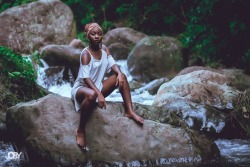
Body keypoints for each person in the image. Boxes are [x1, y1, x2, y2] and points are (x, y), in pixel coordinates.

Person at [71, 22, 144, 150]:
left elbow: (113, 64)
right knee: (92, 94)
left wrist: (120, 73)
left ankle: (129, 111)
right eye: (93, 34)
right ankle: (81, 129)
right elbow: (85, 78)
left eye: (99, 34)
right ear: (87, 36)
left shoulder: (104, 49)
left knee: (121, 78)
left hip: (97, 87)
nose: (97, 36)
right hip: (81, 89)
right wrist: (99, 94)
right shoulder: (85, 54)